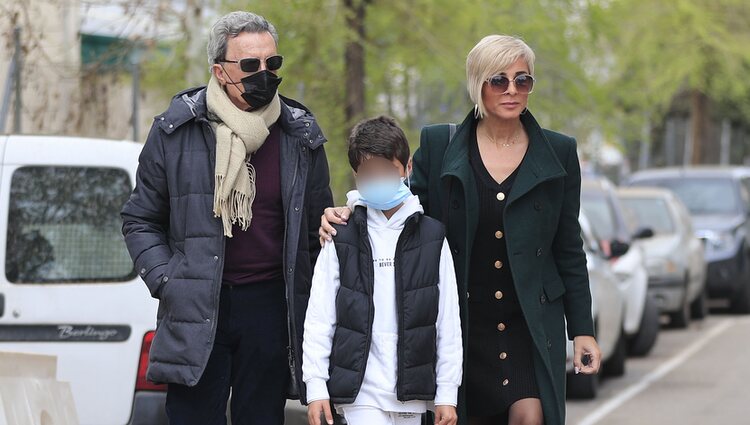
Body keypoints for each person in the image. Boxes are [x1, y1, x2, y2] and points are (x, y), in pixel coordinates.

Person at [319, 35, 601, 425]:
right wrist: (350, 211)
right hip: (462, 320)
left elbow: (568, 247)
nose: (512, 90)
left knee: (531, 415)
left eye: (523, 80)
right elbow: (404, 211)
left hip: (529, 324)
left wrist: (582, 329)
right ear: (477, 83)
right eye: (499, 80)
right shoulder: (441, 144)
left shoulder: (559, 151)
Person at [121, 11, 333, 425]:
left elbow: (314, 232)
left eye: (273, 64)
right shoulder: (176, 130)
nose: (265, 74)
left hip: (271, 307)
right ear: (219, 71)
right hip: (198, 304)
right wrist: (169, 280)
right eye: (250, 66)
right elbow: (139, 219)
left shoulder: (300, 134)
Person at [303, 116, 462, 425]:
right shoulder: (342, 234)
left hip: (411, 394)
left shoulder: (432, 237)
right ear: (356, 176)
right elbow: (320, 316)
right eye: (368, 174)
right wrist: (316, 385)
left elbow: (448, 321)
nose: (378, 181)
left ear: (407, 168)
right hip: (359, 393)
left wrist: (446, 394)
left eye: (387, 171)